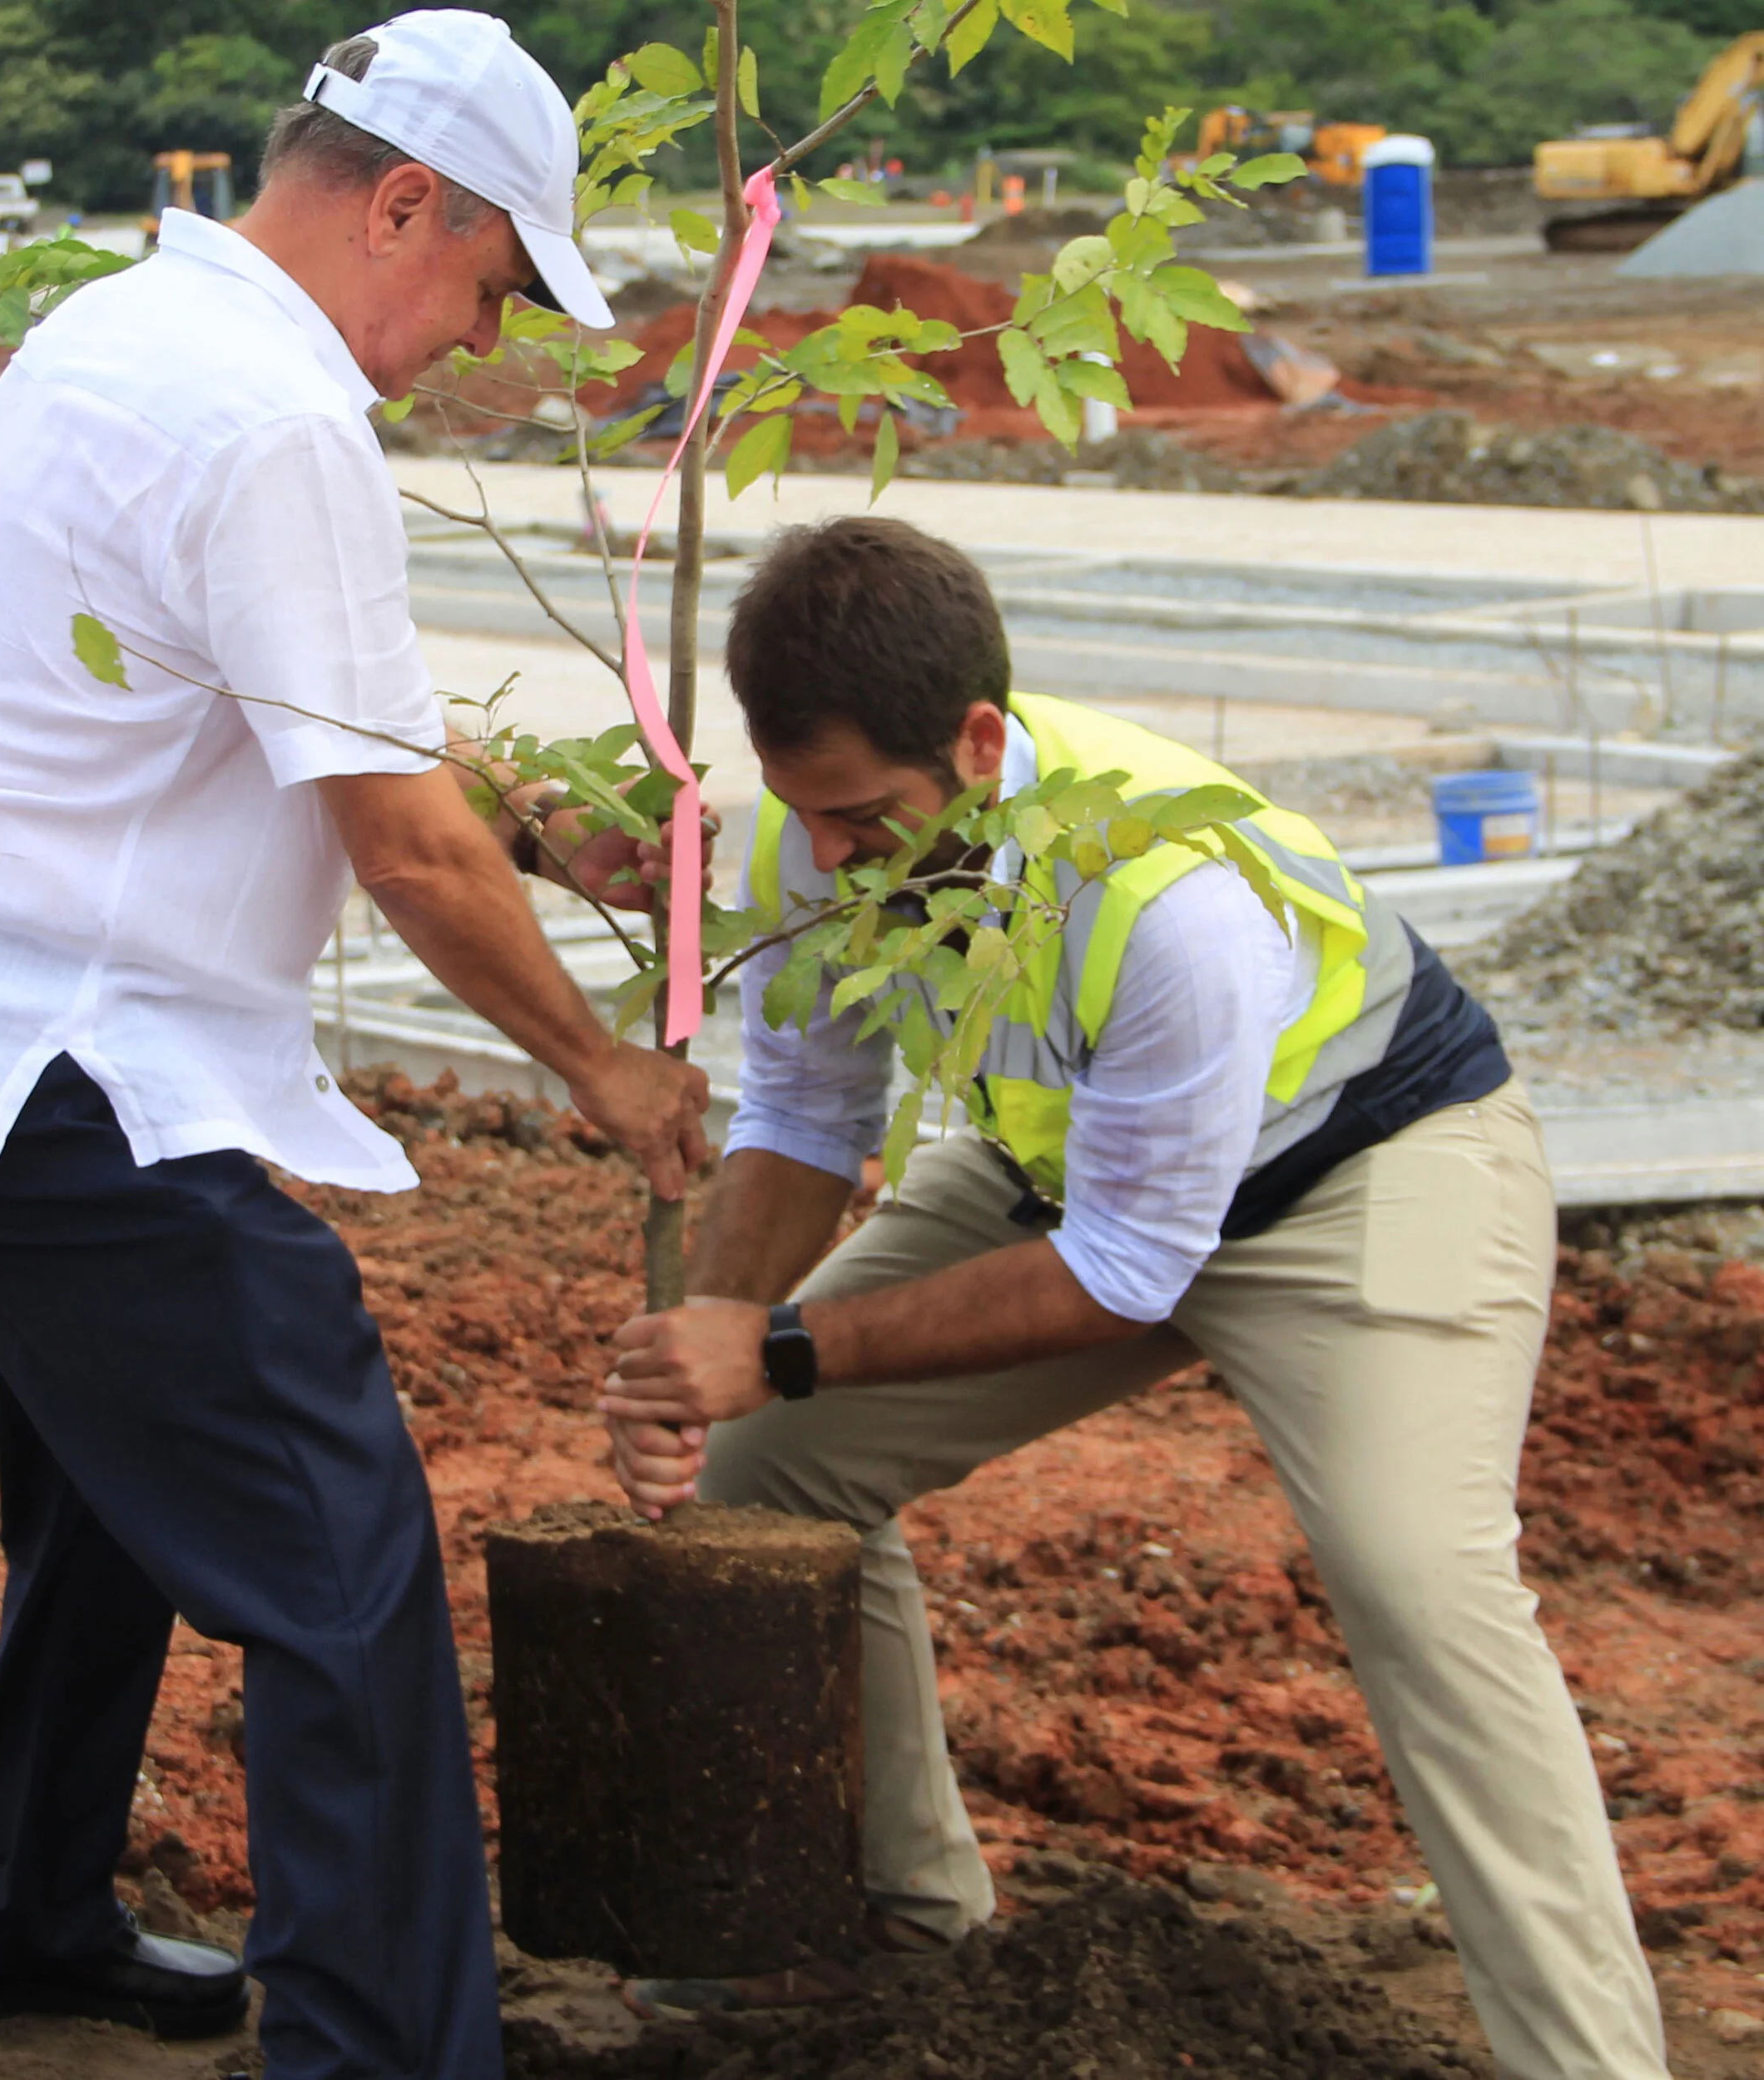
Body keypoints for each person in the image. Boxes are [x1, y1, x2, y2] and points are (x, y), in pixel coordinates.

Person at [0, 17, 707, 2080]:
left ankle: (8, 1914)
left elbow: (296, 696)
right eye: (488, 284)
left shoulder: (129, 335)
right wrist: (604, 1066)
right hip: (55, 1070)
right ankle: (386, 2047)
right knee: (334, 1546)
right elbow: (394, 839)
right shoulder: (279, 420)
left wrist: (544, 816)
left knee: (118, 1490)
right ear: (401, 202)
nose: (478, 339)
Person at [599, 517, 1669, 2080]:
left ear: (978, 740)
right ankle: (899, 1941)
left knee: (1415, 1579)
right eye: (803, 811)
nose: (831, 857)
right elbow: (806, 1119)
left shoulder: (1169, 897)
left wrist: (777, 1343)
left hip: (1360, 1167)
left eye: (868, 816)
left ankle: (1589, 2063)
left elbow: (1120, 1278)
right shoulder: (807, 842)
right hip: (1086, 1178)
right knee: (778, 1471)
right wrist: (701, 1362)